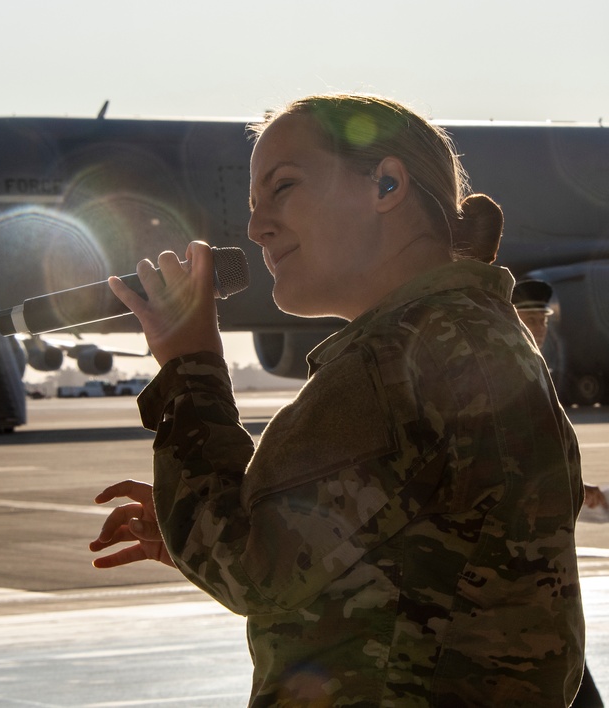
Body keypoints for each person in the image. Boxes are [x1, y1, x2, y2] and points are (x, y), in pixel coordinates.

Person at [89, 93, 585, 706]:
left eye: (284, 187)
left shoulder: (389, 365)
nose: (255, 227)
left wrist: (190, 368)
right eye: (254, 202)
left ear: (385, 185)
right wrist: (216, 519)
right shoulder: (482, 336)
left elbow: (254, 571)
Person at [512, 278, 606, 708]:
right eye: (528, 318)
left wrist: (581, 492)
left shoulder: (534, 369)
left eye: (541, 319)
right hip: (521, 566)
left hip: (542, 568)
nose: (538, 327)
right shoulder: (510, 372)